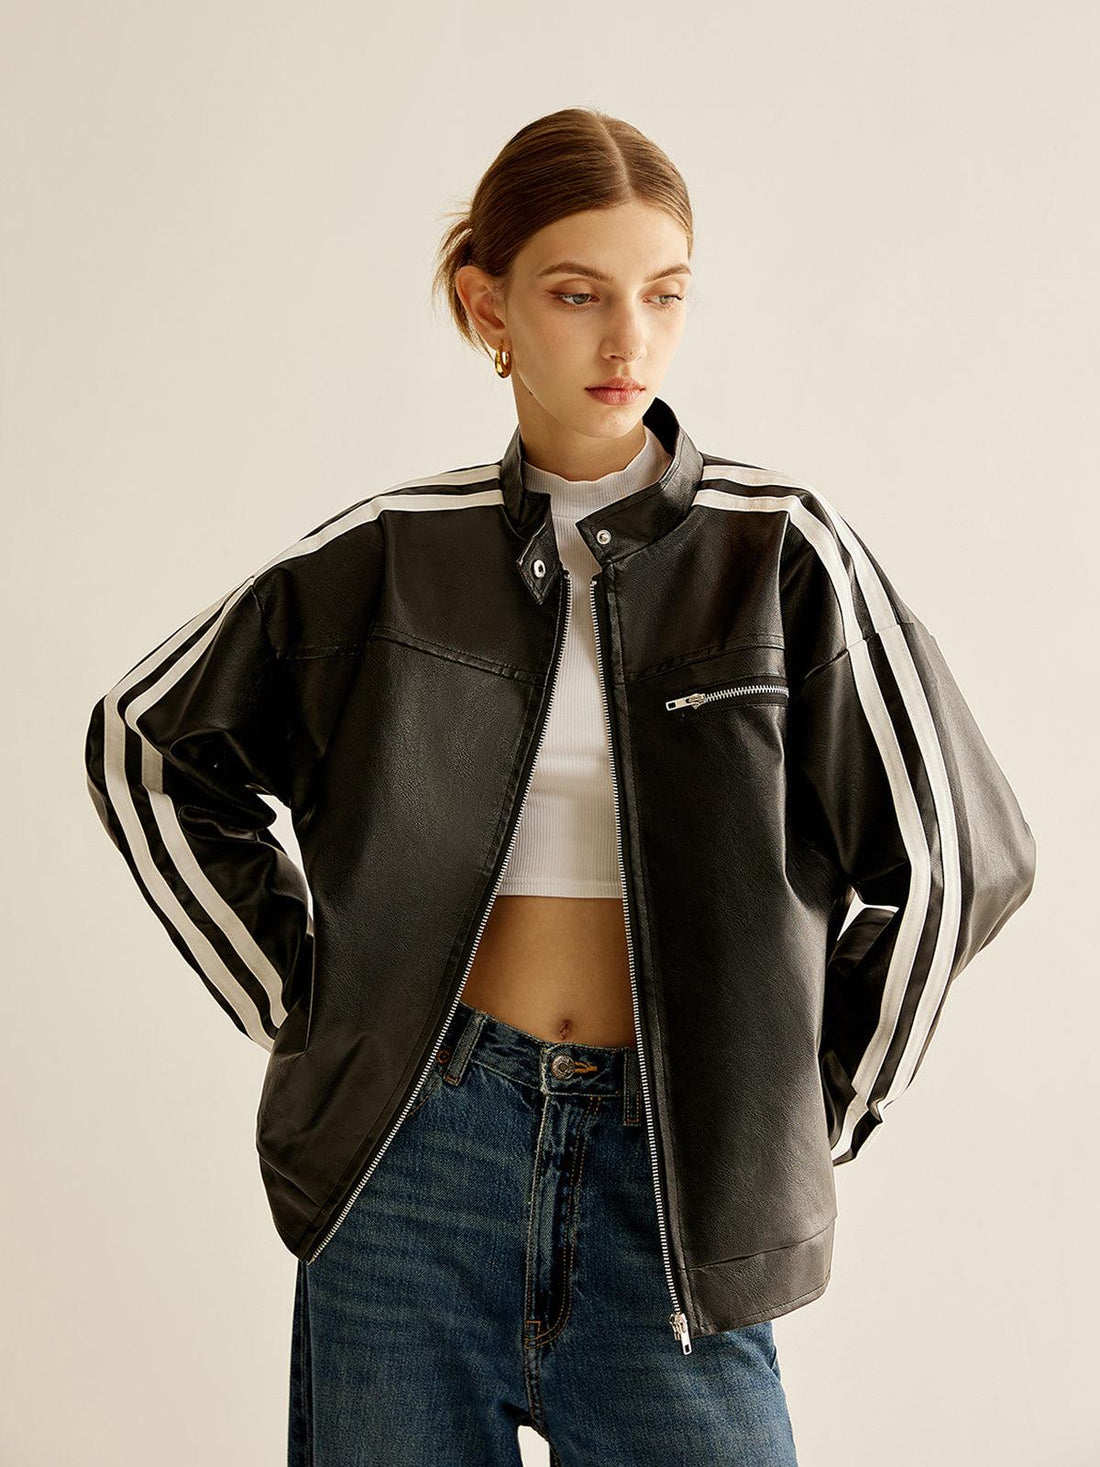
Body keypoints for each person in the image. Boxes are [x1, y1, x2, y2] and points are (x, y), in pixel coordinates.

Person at [84, 106, 1037, 1465]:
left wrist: (807, 1102)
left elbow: (958, 859)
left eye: (664, 295)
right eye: (579, 295)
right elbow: (144, 743)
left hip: (670, 1169)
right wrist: (299, 1004)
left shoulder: (780, 552)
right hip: (415, 1160)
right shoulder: (390, 556)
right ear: (491, 307)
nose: (626, 340)